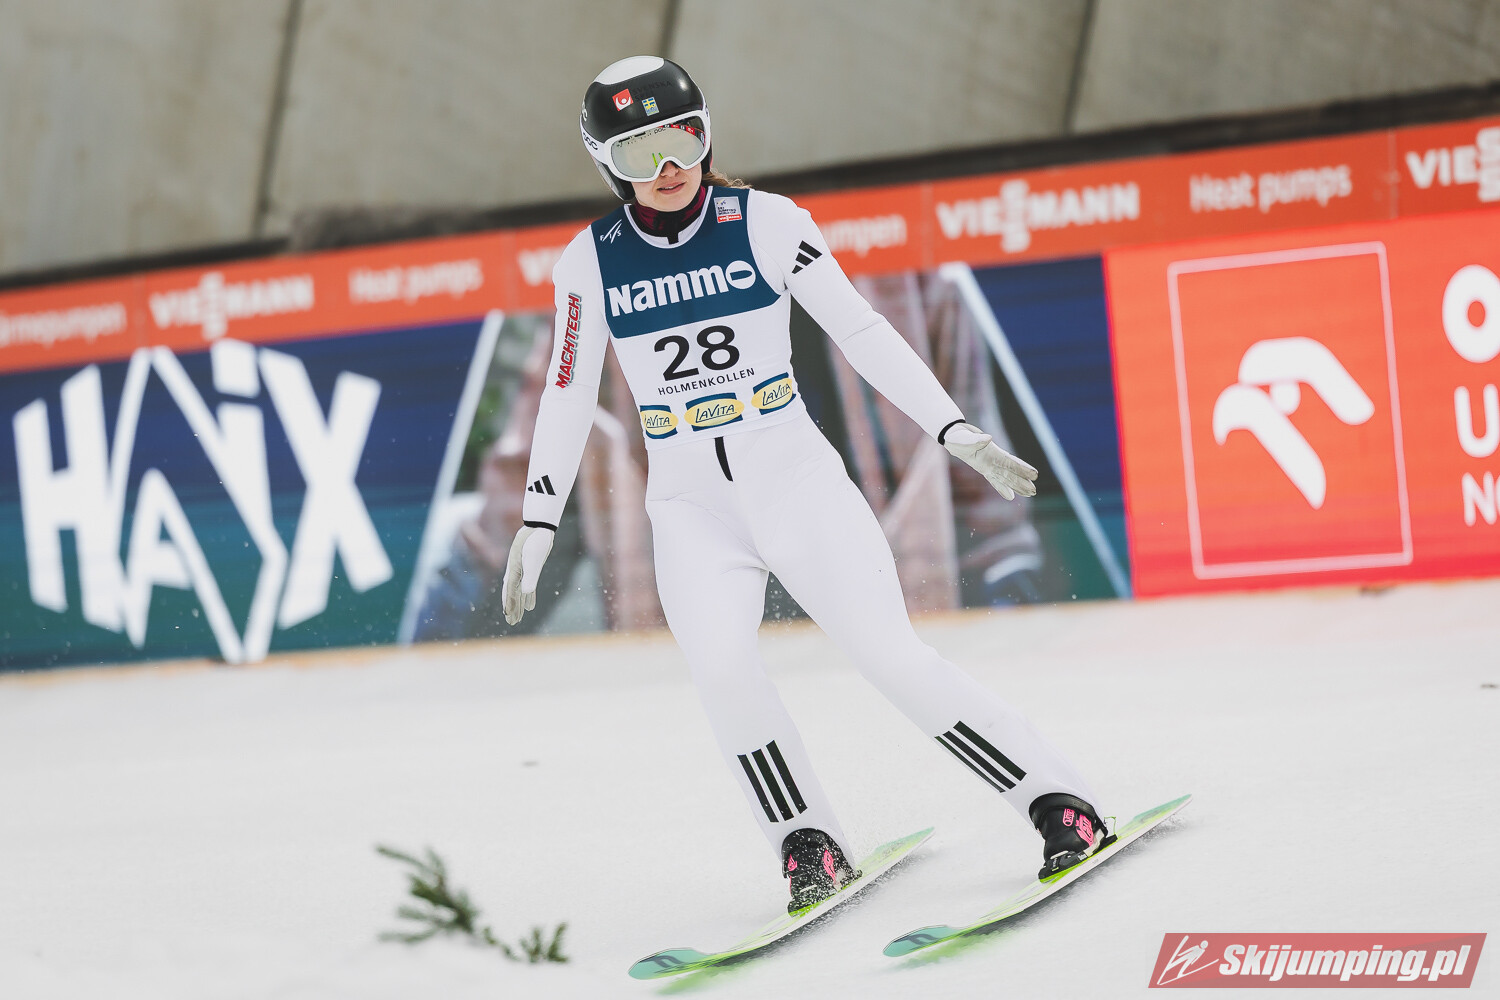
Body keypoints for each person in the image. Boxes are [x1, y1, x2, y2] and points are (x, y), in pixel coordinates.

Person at [502, 56, 1110, 912]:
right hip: (689, 507)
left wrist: (953, 430)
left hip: (795, 482)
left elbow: (861, 331)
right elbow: (567, 393)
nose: (670, 167)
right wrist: (538, 520)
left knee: (890, 657)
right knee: (722, 672)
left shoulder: (768, 222)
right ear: (606, 164)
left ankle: (1059, 802)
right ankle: (807, 844)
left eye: (683, 140)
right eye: (640, 154)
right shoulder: (587, 264)